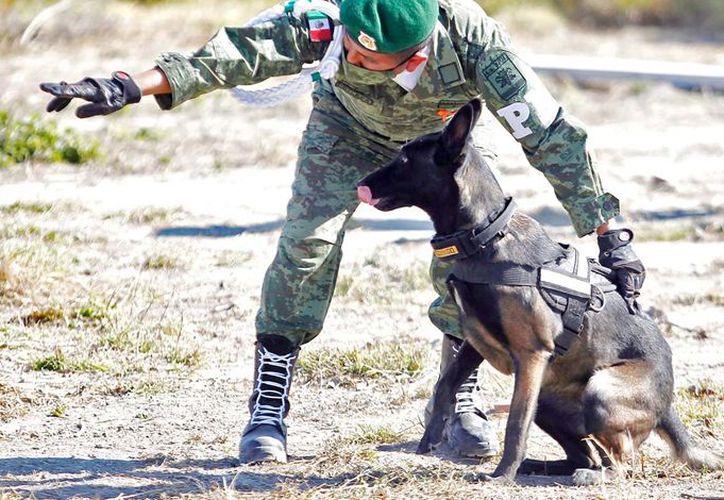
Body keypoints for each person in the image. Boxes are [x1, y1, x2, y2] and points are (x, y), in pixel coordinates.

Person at [40, 0, 645, 465]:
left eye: (368, 58)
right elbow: (229, 56)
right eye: (351, 48)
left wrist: (609, 231)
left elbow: (553, 137)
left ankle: (452, 403)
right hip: (346, 131)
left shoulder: (476, 43)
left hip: (438, 145)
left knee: (471, 258)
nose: (351, 58)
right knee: (307, 244)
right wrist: (123, 85)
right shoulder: (332, 22)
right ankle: (268, 407)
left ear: (414, 57)